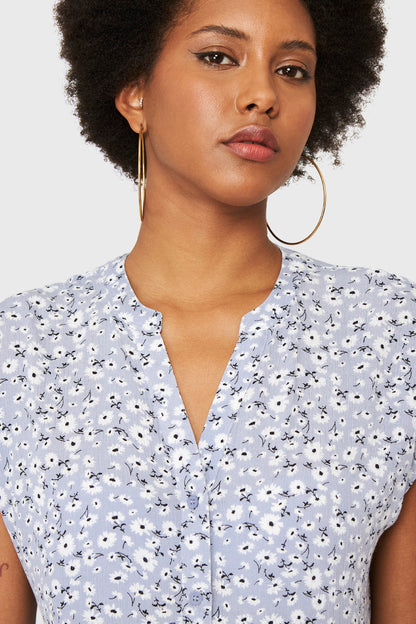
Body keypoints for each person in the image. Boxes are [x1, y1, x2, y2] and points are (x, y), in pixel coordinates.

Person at [0, 0, 415, 622]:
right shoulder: (21, 350)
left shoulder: (389, 336)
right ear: (134, 93)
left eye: (293, 70)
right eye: (219, 57)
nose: (263, 96)